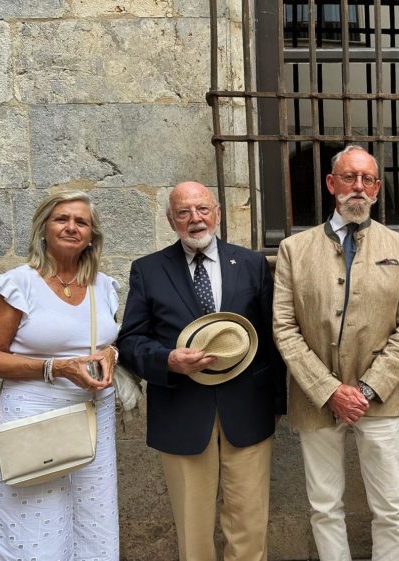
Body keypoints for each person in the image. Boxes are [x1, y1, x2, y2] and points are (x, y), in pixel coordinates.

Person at [116, 181, 286, 561]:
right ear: (171, 220)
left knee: (249, 522)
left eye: (203, 209)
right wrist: (167, 361)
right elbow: (130, 341)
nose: (195, 219)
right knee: (193, 528)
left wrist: (278, 401)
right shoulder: (148, 270)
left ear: (218, 214)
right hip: (182, 410)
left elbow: (273, 336)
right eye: (184, 212)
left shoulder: (252, 263)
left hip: (249, 410)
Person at [272, 145, 399, 561]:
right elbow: (284, 327)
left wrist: (369, 389)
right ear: (331, 183)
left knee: (390, 507)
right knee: (324, 506)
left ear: (377, 188)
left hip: (383, 398)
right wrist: (330, 389)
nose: (359, 187)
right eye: (350, 177)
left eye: (368, 179)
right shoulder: (293, 249)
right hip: (315, 399)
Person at [0, 190, 120, 560]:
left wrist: (111, 352)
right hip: (33, 419)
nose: (72, 227)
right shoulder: (17, 285)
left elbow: (107, 341)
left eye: (81, 222)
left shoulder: (104, 287)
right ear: (44, 229)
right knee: (33, 524)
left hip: (92, 417)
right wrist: (56, 367)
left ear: (92, 235)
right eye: (62, 219)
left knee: (94, 522)